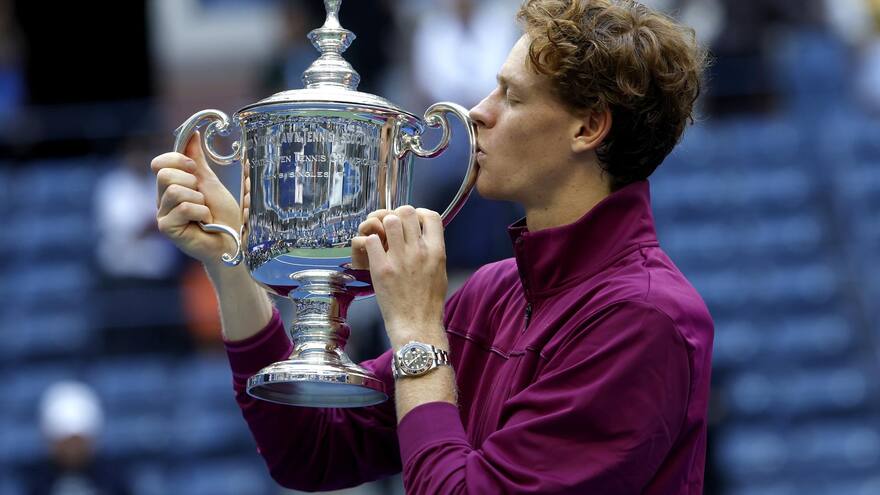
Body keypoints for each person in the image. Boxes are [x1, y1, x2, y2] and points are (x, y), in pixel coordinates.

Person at [149, 0, 712, 492]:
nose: (477, 112)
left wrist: (418, 330)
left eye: (512, 97)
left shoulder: (645, 319)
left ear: (587, 128)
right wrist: (230, 261)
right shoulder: (494, 294)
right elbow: (309, 449)